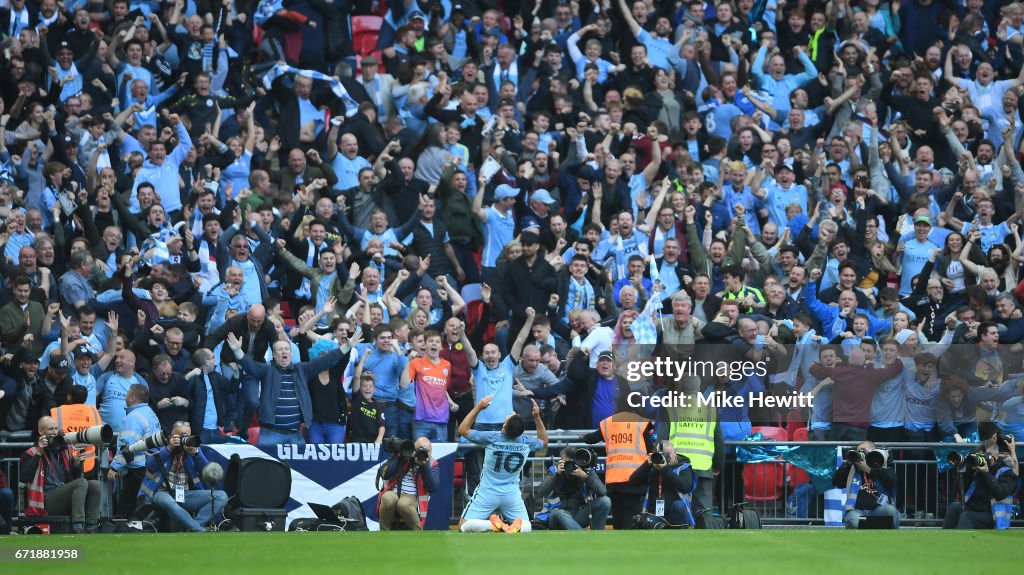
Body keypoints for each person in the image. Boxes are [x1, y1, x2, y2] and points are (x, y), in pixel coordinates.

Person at [226, 331, 351, 446]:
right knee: (266, 467)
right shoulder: (267, 370)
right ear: (274, 355)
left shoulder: (303, 369)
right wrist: (237, 351)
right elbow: (249, 365)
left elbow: (327, 360)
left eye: (286, 349)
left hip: (295, 435)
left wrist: (347, 347)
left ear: (291, 353)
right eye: (280, 350)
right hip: (270, 434)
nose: (284, 352)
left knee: (300, 469)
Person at [458, 395, 547, 533]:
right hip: (511, 493)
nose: (511, 414)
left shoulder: (492, 438)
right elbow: (543, 441)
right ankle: (509, 527)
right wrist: (537, 417)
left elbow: (463, 429)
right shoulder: (525, 442)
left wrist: (478, 407)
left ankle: (493, 525)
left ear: (504, 426)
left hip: (487, 491)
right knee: (526, 526)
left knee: (463, 526)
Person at [137, 421, 228, 532]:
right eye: (180, 436)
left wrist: (196, 454)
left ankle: (193, 526)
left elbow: (208, 473)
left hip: (185, 494)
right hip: (161, 492)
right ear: (171, 436)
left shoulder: (193, 449)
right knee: (169, 503)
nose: (184, 439)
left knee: (221, 496)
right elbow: (151, 466)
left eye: (187, 436)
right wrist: (169, 449)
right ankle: (198, 529)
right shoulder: (160, 445)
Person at [19, 416, 102, 533]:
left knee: (95, 484)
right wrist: (38, 453)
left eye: (56, 429)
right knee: (81, 483)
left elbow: (74, 479)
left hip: (63, 495)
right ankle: (78, 526)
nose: (54, 432)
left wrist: (77, 465)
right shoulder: (31, 453)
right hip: (45, 502)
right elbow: (24, 477)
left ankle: (92, 526)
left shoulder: (63, 449)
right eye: (50, 429)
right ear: (41, 432)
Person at [943, 425, 1019, 530]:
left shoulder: (1005, 470)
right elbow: (959, 489)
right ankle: (944, 543)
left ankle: (959, 545)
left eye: (989, 453)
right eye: (984, 453)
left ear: (998, 455)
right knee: (954, 507)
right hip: (973, 507)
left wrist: (986, 473)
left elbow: (1000, 493)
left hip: (991, 514)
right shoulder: (977, 467)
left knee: (967, 517)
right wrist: (966, 468)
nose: (985, 456)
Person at [109, 384, 161, 518]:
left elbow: (126, 447)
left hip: (137, 468)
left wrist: (114, 467)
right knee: (140, 505)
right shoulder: (150, 413)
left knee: (126, 509)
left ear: (132, 398)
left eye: (127, 393)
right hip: (151, 465)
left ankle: (123, 529)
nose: (125, 396)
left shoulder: (134, 417)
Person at [538, 446, 612, 531]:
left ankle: (597, 535)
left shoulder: (585, 470)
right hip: (557, 515)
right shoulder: (555, 469)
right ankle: (585, 537)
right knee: (557, 513)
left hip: (578, 514)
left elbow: (602, 491)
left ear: (578, 461)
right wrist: (557, 475)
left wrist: (585, 476)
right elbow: (541, 492)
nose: (569, 465)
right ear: (561, 460)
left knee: (605, 501)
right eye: (566, 461)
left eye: (572, 462)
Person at [831, 440, 899, 529]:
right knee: (854, 521)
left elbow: (892, 481)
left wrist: (870, 470)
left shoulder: (883, 466)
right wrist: (848, 464)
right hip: (857, 510)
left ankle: (893, 540)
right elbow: (836, 482)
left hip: (879, 509)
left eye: (864, 451)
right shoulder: (852, 468)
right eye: (859, 451)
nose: (861, 454)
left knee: (891, 510)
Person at [376, 437, 440, 530]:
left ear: (431, 452)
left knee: (403, 504)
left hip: (412, 496)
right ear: (413, 448)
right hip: (394, 491)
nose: (423, 452)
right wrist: (401, 457)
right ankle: (384, 532)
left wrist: (424, 465)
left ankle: (418, 533)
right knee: (387, 498)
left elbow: (433, 487)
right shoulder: (403, 454)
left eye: (427, 451)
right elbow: (384, 474)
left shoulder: (432, 463)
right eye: (419, 449)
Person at [629, 440, 697, 527]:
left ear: (674, 453)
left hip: (676, 515)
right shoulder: (653, 467)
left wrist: (665, 469)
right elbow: (633, 481)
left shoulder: (683, 467)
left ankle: (670, 529)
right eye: (662, 454)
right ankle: (663, 527)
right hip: (656, 515)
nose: (666, 457)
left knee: (679, 506)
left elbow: (686, 487)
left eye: (668, 454)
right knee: (639, 521)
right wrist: (647, 464)